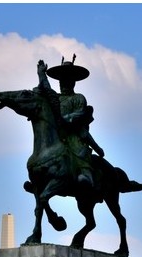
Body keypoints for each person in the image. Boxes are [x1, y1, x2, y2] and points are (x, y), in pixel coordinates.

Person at [46, 56, 103, 189]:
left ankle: (86, 174)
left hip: (73, 133)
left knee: (78, 148)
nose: (63, 84)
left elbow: (79, 113)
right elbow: (44, 93)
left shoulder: (78, 98)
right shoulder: (55, 98)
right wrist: (41, 74)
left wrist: (65, 118)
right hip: (56, 134)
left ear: (73, 83)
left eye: (67, 81)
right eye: (61, 81)